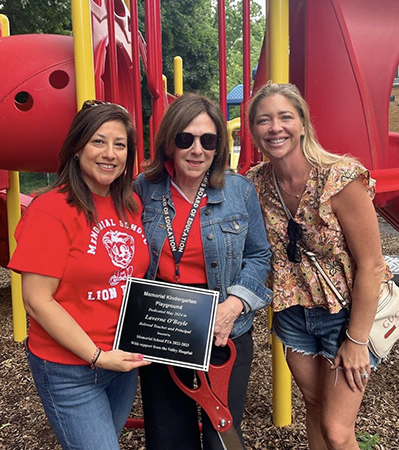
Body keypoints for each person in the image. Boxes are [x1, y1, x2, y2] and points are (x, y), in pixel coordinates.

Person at [246, 81, 393, 450]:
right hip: (294, 314)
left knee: (337, 429)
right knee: (314, 407)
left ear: (302, 123)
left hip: (347, 314)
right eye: (264, 120)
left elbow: (373, 265)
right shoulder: (256, 184)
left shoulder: (339, 178)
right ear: (253, 131)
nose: (275, 127)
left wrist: (356, 340)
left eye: (284, 117)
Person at [8, 100, 151, 450]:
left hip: (121, 361)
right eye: (98, 141)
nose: (110, 153)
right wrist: (97, 356)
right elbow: (37, 301)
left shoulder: (130, 206)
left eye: (120, 145)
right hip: (70, 368)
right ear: (76, 148)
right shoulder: (51, 210)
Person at [134, 93, 272, 450]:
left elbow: (260, 256)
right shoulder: (143, 189)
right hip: (161, 325)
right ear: (169, 142)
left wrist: (236, 304)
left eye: (207, 140)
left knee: (219, 435)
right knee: (168, 437)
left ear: (218, 147)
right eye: (186, 139)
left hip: (222, 327)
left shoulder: (238, 191)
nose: (197, 150)